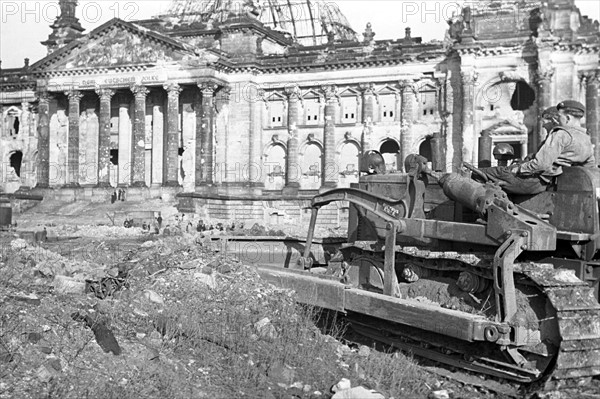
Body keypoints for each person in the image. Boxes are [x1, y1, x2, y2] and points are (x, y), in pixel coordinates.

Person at [466, 100, 595, 195]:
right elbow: (590, 167)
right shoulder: (586, 139)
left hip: (533, 180)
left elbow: (541, 164)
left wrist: (518, 169)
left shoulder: (561, 134)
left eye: (559, 116)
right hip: (549, 183)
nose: (557, 120)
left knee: (480, 174)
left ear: (567, 118)